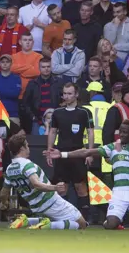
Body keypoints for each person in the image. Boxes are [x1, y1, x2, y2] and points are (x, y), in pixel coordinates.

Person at [4, 134, 88, 230]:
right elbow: (36, 184)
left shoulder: (9, 169)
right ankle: (46, 226)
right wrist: (55, 187)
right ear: (22, 148)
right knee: (82, 224)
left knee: (62, 221)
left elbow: (4, 191)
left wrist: (3, 203)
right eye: (27, 145)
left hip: (35, 207)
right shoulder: (27, 165)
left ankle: (27, 220)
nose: (28, 148)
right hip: (51, 202)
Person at [46, 83, 94, 215]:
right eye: (64, 93)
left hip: (78, 153)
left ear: (76, 94)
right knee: (62, 187)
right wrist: (49, 151)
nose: (66, 96)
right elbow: (52, 132)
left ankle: (84, 219)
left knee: (81, 187)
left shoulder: (84, 112)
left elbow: (90, 132)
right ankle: (63, 216)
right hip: (60, 153)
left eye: (69, 93)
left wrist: (89, 153)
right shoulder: (57, 112)